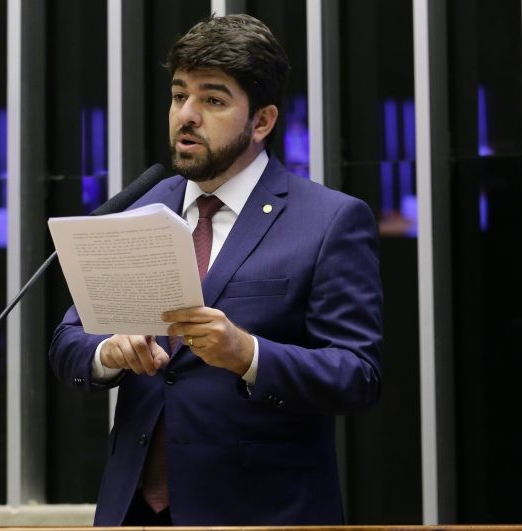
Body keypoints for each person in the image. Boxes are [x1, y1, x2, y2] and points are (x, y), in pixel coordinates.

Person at [48, 14, 383, 526]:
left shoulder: (329, 220)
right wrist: (107, 352)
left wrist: (247, 354)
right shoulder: (135, 210)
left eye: (213, 100)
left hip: (259, 514)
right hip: (135, 511)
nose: (187, 115)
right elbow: (68, 340)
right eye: (180, 94)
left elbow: (357, 375)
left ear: (263, 121)